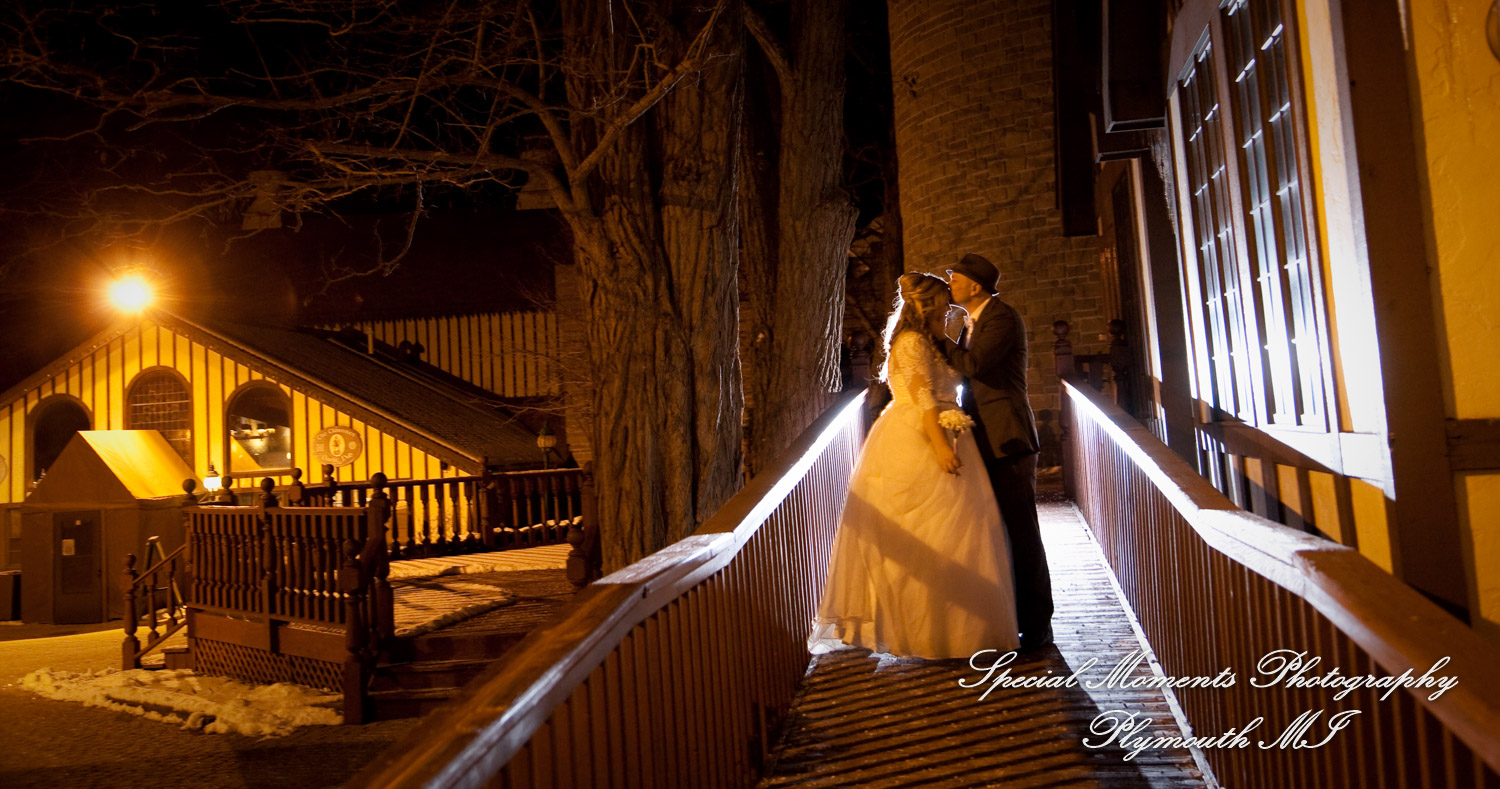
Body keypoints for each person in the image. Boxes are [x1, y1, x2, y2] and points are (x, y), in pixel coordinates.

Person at [811, 272, 1019, 659]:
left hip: (947, 428)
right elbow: (923, 400)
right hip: (918, 436)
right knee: (932, 533)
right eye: (943, 300)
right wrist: (940, 447)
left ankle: (962, 631)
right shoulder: (911, 343)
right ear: (930, 305)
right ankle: (927, 631)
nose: (949, 306)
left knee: (964, 532)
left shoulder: (932, 341)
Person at [942, 252, 1054, 651]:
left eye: (955, 277)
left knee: (1021, 531)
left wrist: (933, 336)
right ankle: (1007, 616)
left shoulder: (1002, 318)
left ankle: (1038, 624)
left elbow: (974, 365)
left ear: (975, 285)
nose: (950, 283)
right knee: (996, 530)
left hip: (1007, 438)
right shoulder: (973, 323)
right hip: (983, 438)